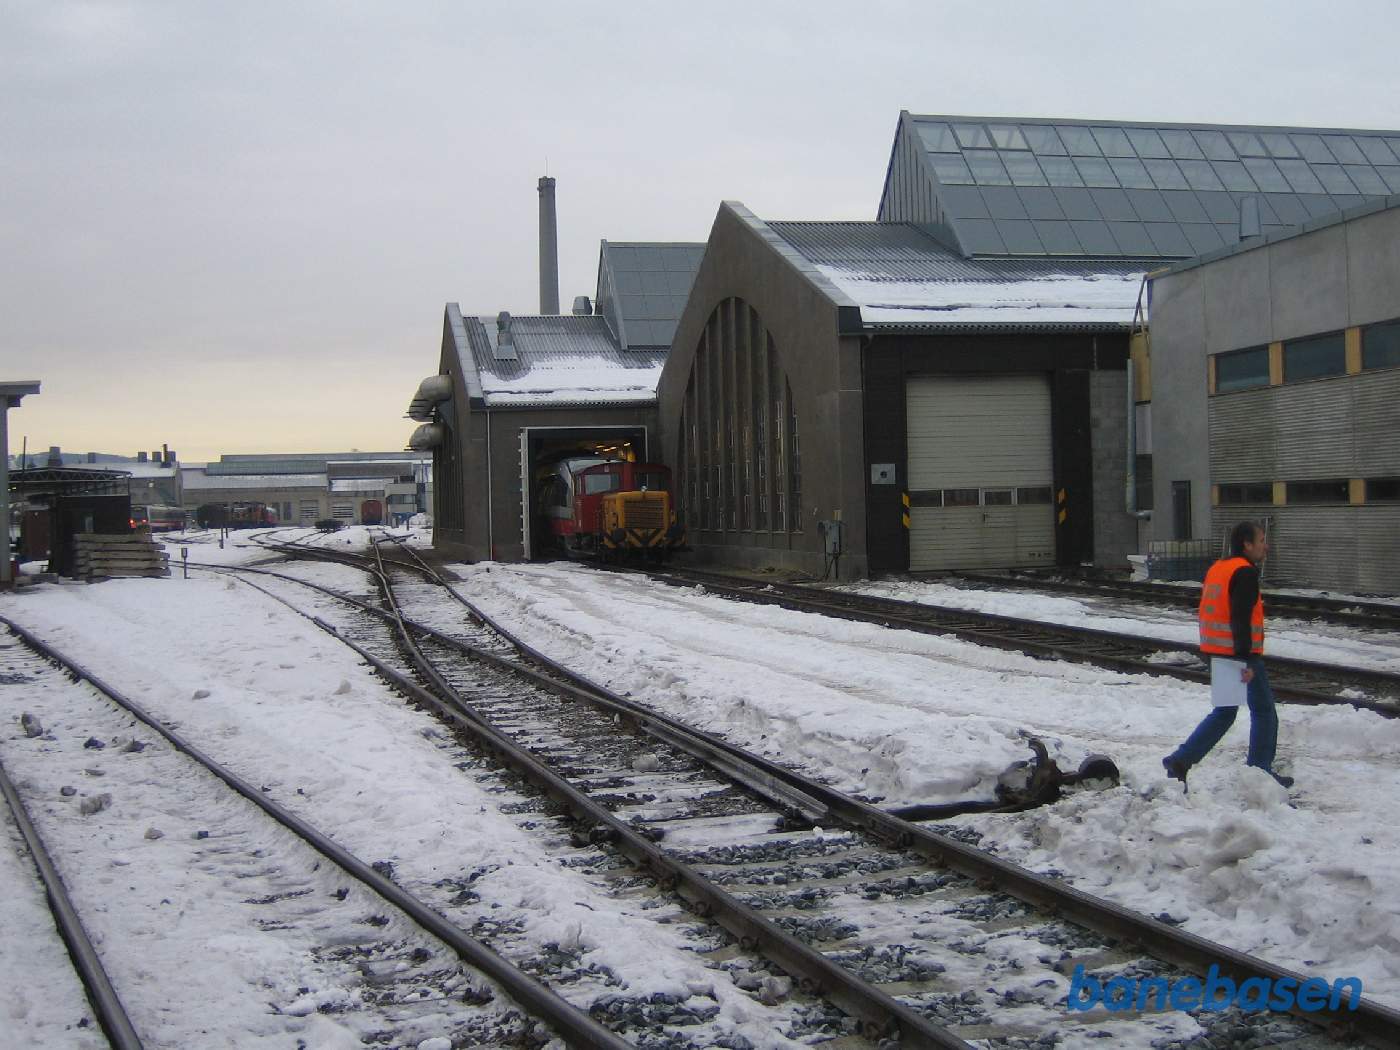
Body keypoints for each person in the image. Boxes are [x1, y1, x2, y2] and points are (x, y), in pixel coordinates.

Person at [1163, 521, 1293, 789]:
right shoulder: (1244, 572)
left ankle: (1181, 760)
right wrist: (1246, 658)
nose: (1265, 546)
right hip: (1240, 654)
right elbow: (1240, 616)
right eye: (1261, 540)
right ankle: (1260, 772)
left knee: (1224, 713)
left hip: (1217, 650)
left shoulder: (1218, 568)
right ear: (1247, 544)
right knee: (1265, 711)